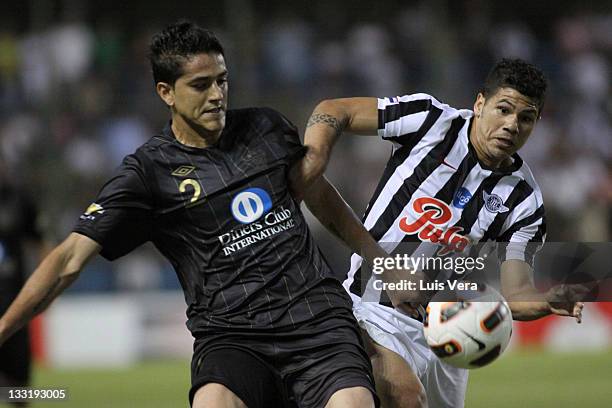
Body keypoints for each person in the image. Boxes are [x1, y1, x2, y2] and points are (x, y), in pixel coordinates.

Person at [0, 21, 392, 408]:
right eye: (201, 85)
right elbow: (68, 258)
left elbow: (320, 197)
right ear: (166, 92)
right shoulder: (147, 172)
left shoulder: (266, 127)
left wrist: (383, 264)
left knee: (353, 404)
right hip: (232, 338)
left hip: (316, 322)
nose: (217, 94)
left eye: (222, 80)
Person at [293, 58, 585, 408]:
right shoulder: (430, 121)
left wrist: (547, 300)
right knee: (404, 395)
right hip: (373, 307)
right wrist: (316, 156)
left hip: (451, 332)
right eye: (503, 110)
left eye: (525, 118)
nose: (511, 125)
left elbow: (517, 291)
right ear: (480, 104)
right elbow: (335, 110)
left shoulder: (525, 201)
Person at [0, 158, 46, 406]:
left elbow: (42, 245)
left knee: (19, 391)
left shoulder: (19, 200)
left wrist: (48, 288)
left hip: (14, 306)